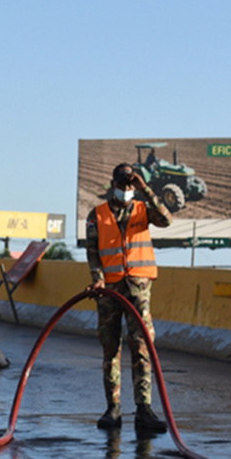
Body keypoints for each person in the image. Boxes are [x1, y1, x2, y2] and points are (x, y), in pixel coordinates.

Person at [86, 162, 172, 434]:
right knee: (111, 349)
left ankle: (143, 409)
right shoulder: (97, 214)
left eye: (130, 184)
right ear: (113, 184)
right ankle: (113, 409)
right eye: (122, 184)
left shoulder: (143, 209)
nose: (126, 189)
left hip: (138, 289)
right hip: (109, 291)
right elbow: (92, 250)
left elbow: (167, 219)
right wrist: (97, 277)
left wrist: (145, 188)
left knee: (142, 347)